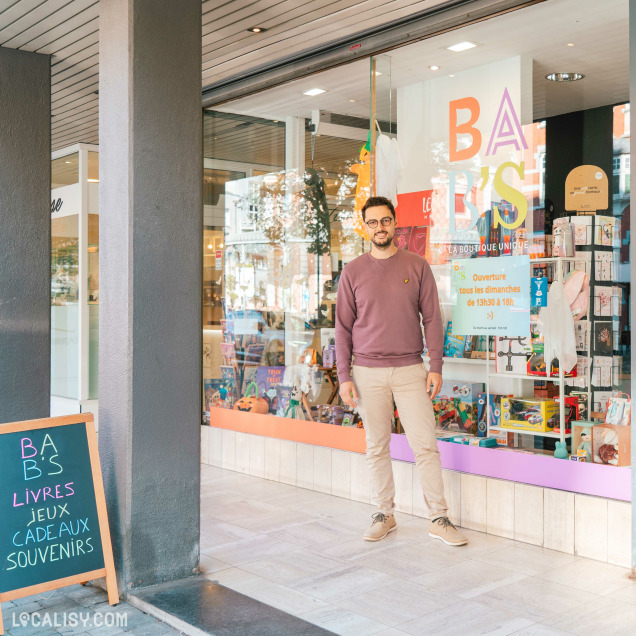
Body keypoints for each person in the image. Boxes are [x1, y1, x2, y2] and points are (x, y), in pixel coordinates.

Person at [335, 196, 467, 546]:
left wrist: (435, 366)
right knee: (376, 447)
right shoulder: (353, 272)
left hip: (411, 369)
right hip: (366, 373)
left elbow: (433, 319)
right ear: (366, 227)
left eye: (386, 221)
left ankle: (439, 518)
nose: (380, 227)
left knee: (425, 446)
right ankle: (383, 513)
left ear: (395, 224)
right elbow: (342, 329)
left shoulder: (417, 265)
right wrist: (344, 376)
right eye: (373, 222)